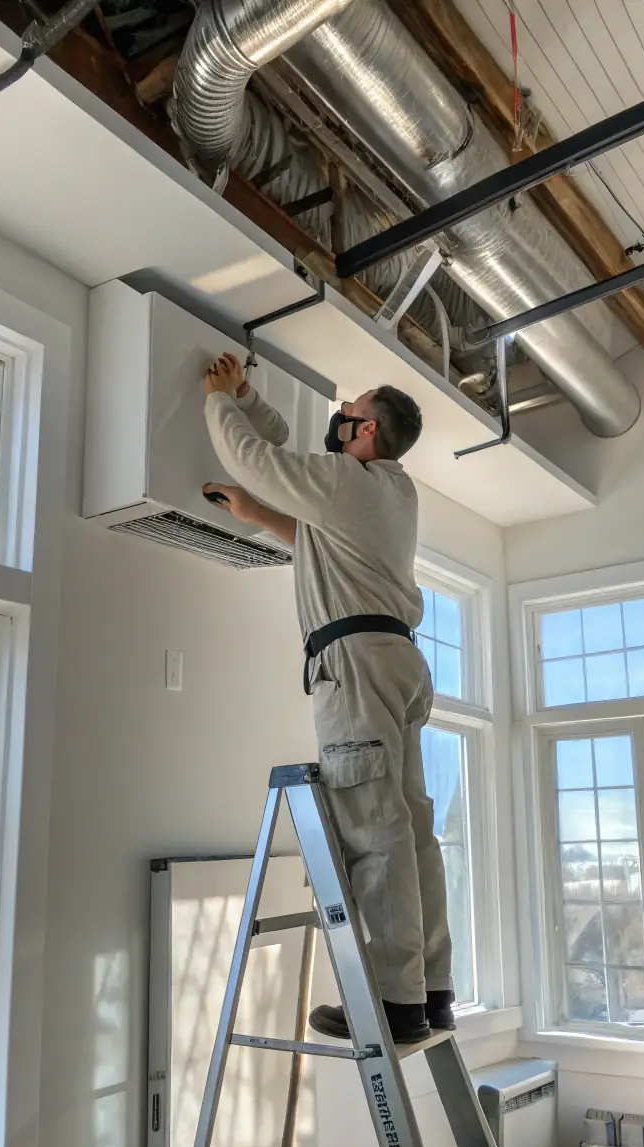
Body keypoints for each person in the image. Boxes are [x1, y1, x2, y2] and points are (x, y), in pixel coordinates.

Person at [202, 352, 452, 1045]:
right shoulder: (390, 491)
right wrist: (257, 508)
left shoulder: (350, 481)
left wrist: (220, 399)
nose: (338, 415)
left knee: (376, 834)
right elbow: (319, 537)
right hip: (393, 661)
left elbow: (256, 457)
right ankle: (430, 991)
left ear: (366, 432)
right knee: (409, 827)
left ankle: (394, 1001)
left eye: (350, 409)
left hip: (357, 667)